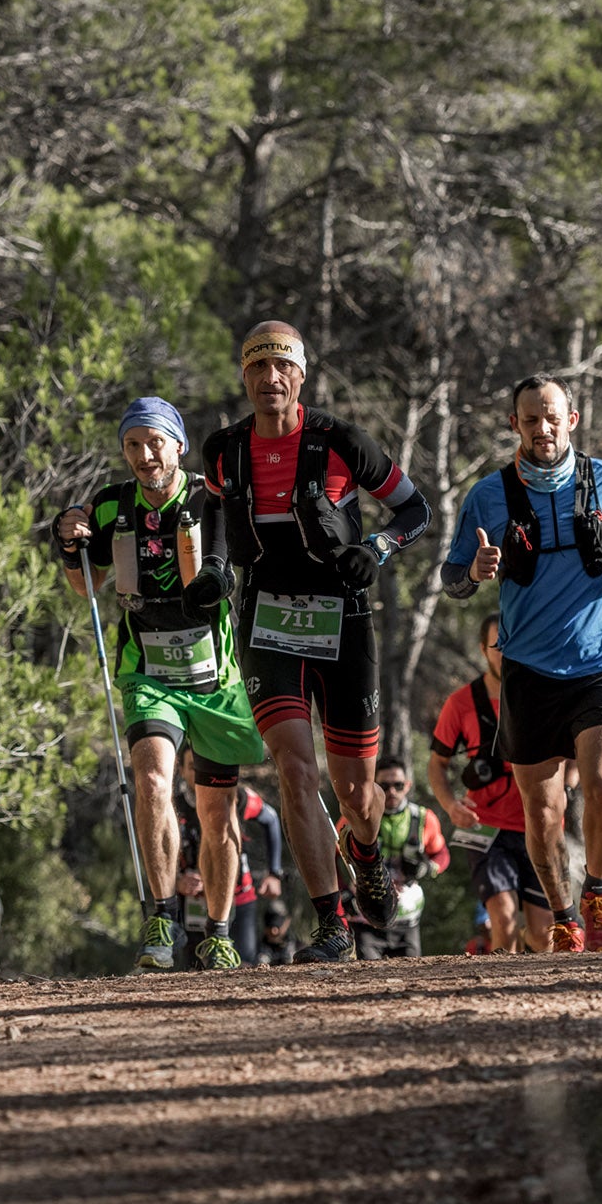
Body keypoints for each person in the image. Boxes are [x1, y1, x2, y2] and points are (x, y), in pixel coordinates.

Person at [193, 321, 431, 962]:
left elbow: (416, 509)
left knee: (357, 792)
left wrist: (375, 548)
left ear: (301, 375)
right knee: (295, 769)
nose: (271, 380)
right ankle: (332, 923)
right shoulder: (225, 451)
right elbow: (212, 506)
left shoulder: (340, 441)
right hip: (266, 622)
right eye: (258, 369)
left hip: (344, 620)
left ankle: (366, 849)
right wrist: (215, 566)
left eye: (283, 369)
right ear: (244, 377)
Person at [53, 398, 266, 972]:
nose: (145, 456)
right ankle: (161, 916)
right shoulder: (109, 506)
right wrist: (67, 539)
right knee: (150, 779)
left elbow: (229, 562)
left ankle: (218, 931)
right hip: (147, 671)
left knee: (217, 810)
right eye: (132, 446)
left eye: (155, 443)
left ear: (178, 444)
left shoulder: (208, 496)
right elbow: (86, 585)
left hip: (213, 678)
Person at [442, 375, 602, 952]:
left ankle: (597, 891)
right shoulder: (488, 496)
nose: (543, 429)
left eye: (552, 417)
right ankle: (561, 915)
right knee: (544, 808)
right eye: (530, 419)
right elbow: (452, 577)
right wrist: (476, 571)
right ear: (515, 425)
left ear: (572, 419)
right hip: (528, 670)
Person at [427, 614, 556, 953]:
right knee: (503, 917)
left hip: (537, 826)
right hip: (484, 828)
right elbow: (437, 765)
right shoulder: (461, 703)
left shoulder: (542, 697)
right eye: (497, 645)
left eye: (512, 645)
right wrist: (450, 805)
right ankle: (504, 997)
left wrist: (566, 788)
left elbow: (569, 759)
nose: (505, 653)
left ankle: (536, 991)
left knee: (544, 933)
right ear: (483, 649)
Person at [171, 748, 287, 964]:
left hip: (239, 896)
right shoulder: (173, 806)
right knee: (197, 966)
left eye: (201, 766)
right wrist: (176, 881)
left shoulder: (238, 797)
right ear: (180, 770)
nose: (198, 773)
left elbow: (270, 818)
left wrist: (274, 873)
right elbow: (160, 851)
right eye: (191, 767)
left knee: (243, 962)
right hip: (193, 901)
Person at [336, 756, 450, 959]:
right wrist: (341, 893)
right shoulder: (353, 819)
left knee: (413, 978)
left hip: (408, 919)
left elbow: (442, 854)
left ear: (407, 785)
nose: (392, 792)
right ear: (374, 787)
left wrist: (427, 867)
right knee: (370, 979)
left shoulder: (424, 818)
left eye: (398, 785)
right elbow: (330, 857)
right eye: (384, 786)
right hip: (365, 919)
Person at [257, 897, 298, 965]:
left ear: (287, 922)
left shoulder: (299, 948)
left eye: (278, 926)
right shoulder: (255, 949)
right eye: (269, 926)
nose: (273, 931)